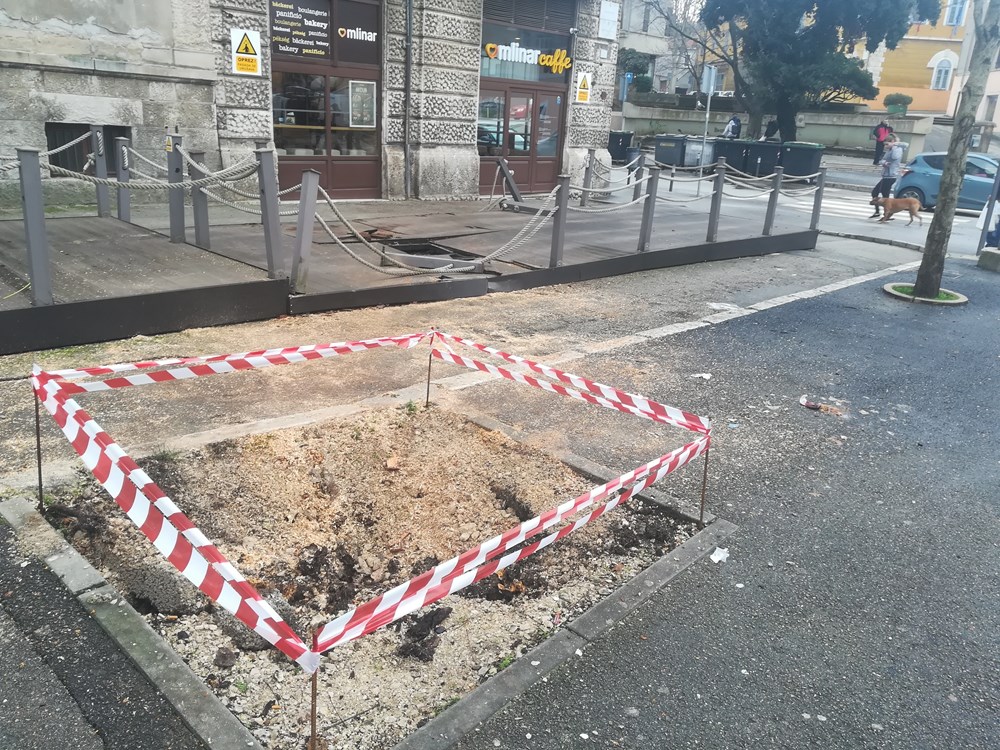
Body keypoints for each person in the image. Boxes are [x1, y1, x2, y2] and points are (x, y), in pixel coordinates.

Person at [870, 134, 904, 219]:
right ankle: (881, 212)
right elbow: (882, 160)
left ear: (892, 142)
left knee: (883, 195)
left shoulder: (898, 149)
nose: (885, 146)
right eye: (884, 144)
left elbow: (894, 157)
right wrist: (884, 162)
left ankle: (887, 213)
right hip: (886, 175)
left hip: (891, 176)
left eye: (887, 144)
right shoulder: (890, 150)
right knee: (878, 193)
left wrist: (894, 146)